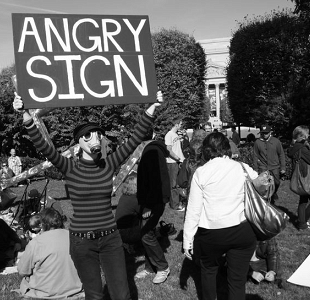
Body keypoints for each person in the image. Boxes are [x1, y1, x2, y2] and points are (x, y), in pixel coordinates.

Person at [13, 91, 163, 300]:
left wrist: (152, 108)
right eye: (88, 136)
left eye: (98, 135)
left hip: (110, 239)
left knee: (122, 294)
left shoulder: (109, 164)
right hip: (82, 242)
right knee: (94, 295)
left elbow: (134, 139)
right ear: (79, 142)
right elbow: (45, 147)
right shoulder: (69, 167)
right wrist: (26, 117)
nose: (95, 139)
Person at [183, 132, 258, 300]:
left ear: (206, 150)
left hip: (212, 232)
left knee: (208, 272)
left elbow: (194, 210)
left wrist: (187, 240)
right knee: (237, 281)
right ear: (226, 148)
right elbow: (262, 184)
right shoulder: (242, 167)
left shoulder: (202, 172)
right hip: (242, 230)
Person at [17, 208, 84, 299]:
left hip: (45, 291)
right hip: (74, 287)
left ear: (42, 224)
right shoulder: (75, 237)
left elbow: (22, 270)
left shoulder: (36, 242)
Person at [135, 140, 171, 284]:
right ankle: (150, 267)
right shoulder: (152, 150)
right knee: (146, 232)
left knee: (145, 234)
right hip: (151, 200)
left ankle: (163, 267)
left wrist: (148, 206)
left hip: (154, 201)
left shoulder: (152, 152)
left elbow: (155, 181)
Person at [287, 125, 310, 230]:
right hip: (307, 178)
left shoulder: (294, 147)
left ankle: (302, 224)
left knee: (303, 201)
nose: (309, 135)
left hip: (300, 178)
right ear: (302, 136)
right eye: (307, 133)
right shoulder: (302, 149)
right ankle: (302, 222)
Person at [253, 125, 286, 204]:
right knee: (264, 185)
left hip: (275, 166)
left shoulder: (276, 141)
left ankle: (274, 192)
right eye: (263, 133)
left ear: (270, 132)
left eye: (266, 133)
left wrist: (283, 167)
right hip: (263, 167)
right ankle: (266, 200)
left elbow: (281, 154)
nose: (264, 135)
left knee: (277, 182)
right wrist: (256, 169)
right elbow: (255, 155)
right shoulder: (257, 142)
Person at [164, 117, 185, 211]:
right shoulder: (169, 135)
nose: (181, 125)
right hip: (172, 163)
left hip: (177, 162)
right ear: (176, 124)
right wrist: (177, 158)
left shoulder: (174, 134)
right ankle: (175, 205)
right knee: (173, 184)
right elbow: (168, 149)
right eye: (180, 124)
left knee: (177, 184)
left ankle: (177, 202)